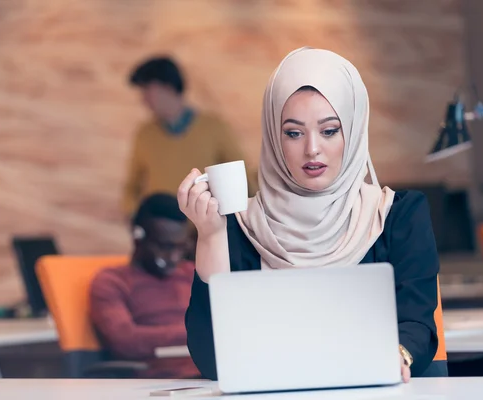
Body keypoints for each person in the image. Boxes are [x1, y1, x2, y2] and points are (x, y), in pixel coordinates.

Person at [178, 48, 444, 383]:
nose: (312, 149)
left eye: (329, 130)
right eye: (293, 133)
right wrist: (210, 236)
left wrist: (394, 358)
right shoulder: (239, 227)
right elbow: (214, 361)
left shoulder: (397, 215)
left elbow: (416, 324)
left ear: (354, 129)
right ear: (275, 138)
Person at [121, 56, 254, 218]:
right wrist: (137, 217)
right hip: (162, 234)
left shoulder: (214, 128)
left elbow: (244, 176)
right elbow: (132, 187)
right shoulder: (145, 134)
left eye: (147, 91)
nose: (143, 100)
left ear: (168, 87)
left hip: (209, 230)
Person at [89, 193, 199, 379]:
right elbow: (125, 341)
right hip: (164, 382)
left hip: (214, 375)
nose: (173, 257)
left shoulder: (192, 273)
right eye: (164, 246)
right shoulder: (112, 282)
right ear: (137, 236)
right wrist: (198, 331)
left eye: (181, 248)